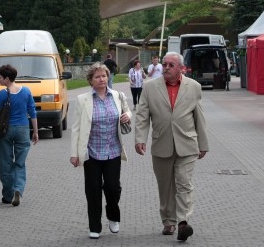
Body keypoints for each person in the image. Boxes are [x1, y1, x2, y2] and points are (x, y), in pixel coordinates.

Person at [134, 51, 208, 242]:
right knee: (166, 186)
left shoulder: (194, 87)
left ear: (181, 68)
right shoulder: (150, 87)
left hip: (187, 143)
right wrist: (140, 139)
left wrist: (203, 143)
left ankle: (183, 222)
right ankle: (169, 221)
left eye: (170, 65)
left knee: (184, 183)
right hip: (162, 143)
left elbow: (199, 116)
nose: (166, 67)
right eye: (164, 64)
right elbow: (142, 116)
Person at [69, 62, 132, 239]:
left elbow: (127, 111)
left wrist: (128, 115)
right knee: (93, 190)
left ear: (108, 77)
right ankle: (94, 226)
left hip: (113, 151)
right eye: (97, 76)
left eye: (104, 75)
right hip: (92, 153)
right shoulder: (83, 100)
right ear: (91, 80)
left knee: (113, 188)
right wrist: (74, 154)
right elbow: (76, 128)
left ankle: (113, 215)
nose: (101, 79)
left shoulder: (117, 96)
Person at [0, 64, 38, 206]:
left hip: (6, 130)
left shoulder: (2, 94)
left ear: (7, 79)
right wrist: (36, 131)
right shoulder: (26, 91)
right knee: (20, 163)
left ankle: (8, 195)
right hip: (23, 129)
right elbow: (32, 112)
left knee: (5, 163)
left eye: (0, 77)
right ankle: (18, 189)